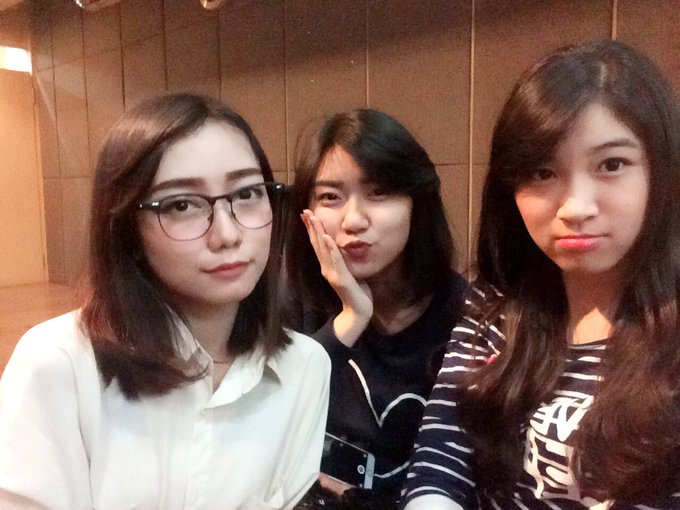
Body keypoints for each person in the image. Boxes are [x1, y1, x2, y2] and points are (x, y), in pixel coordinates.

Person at [0, 93, 331, 510]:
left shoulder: (305, 368)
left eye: (247, 194)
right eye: (181, 204)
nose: (227, 234)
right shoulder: (61, 365)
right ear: (127, 229)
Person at [401, 39, 680, 509]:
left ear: (662, 172)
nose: (575, 208)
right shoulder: (497, 304)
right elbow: (442, 456)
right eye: (543, 172)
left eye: (611, 165)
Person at [283, 109, 467, 509]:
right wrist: (350, 319)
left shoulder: (465, 316)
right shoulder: (295, 304)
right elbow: (269, 427)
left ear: (416, 203)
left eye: (379, 192)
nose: (354, 220)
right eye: (330, 197)